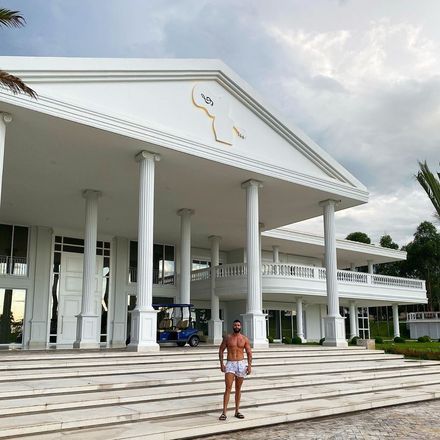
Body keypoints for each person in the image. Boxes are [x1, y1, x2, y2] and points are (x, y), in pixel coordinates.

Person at [218, 319, 252, 420]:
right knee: (228, 388)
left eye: (238, 325)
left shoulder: (244, 339)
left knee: (238, 388)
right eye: (235, 325)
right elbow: (221, 350)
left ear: (240, 327)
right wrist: (221, 364)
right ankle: (224, 412)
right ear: (233, 327)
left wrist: (249, 365)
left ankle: (237, 411)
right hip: (230, 363)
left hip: (241, 364)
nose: (237, 327)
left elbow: (249, 352)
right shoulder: (228, 338)